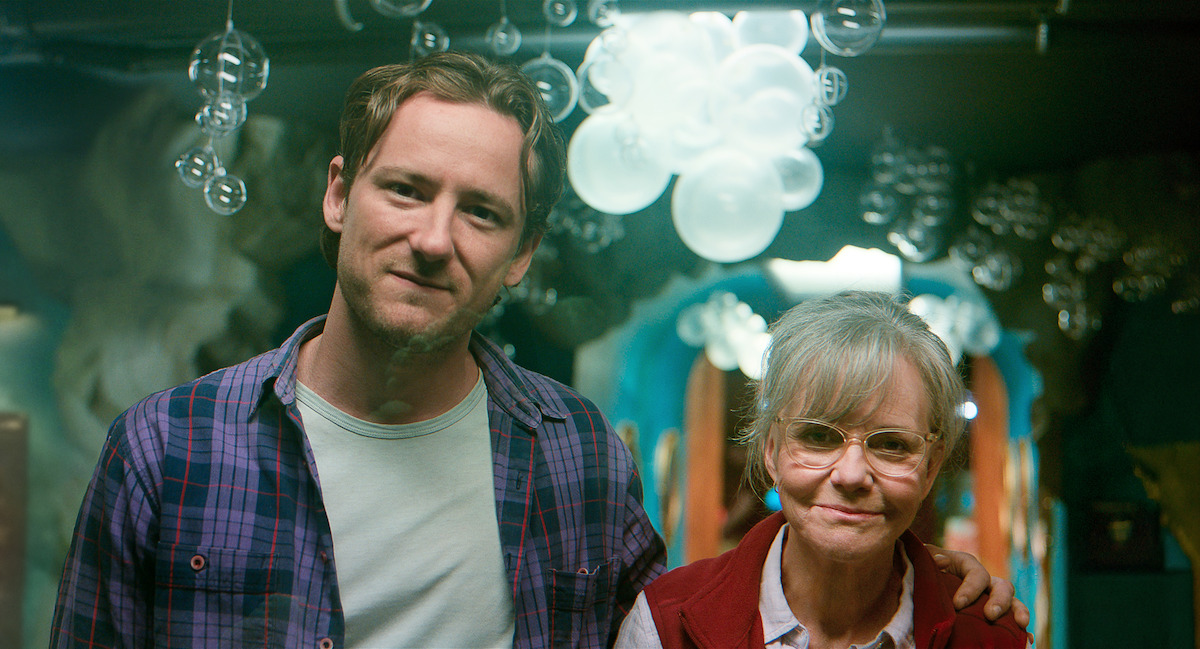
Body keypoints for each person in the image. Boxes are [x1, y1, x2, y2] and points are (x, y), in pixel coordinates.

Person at [50, 53, 1014, 649]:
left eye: (481, 211)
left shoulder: (578, 457)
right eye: (405, 189)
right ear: (339, 194)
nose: (434, 237)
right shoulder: (169, 447)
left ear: (518, 256)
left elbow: (688, 621)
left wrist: (927, 580)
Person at [615, 290, 1029, 649]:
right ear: (771, 451)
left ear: (931, 468)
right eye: (818, 436)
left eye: (891, 444)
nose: (851, 475)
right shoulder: (667, 623)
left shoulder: (989, 636)